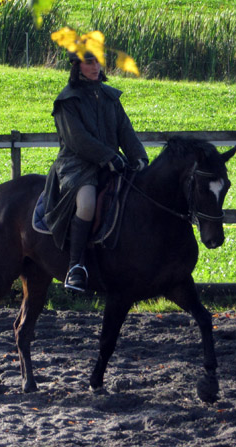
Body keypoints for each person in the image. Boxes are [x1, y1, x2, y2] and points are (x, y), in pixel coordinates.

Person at [42, 51, 149, 292]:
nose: (95, 67)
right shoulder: (67, 100)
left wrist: (139, 158)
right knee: (88, 202)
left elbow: (125, 131)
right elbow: (77, 139)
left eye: (97, 62)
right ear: (77, 66)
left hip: (110, 162)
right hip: (76, 165)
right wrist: (109, 156)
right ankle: (75, 267)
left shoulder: (110, 97)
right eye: (88, 62)